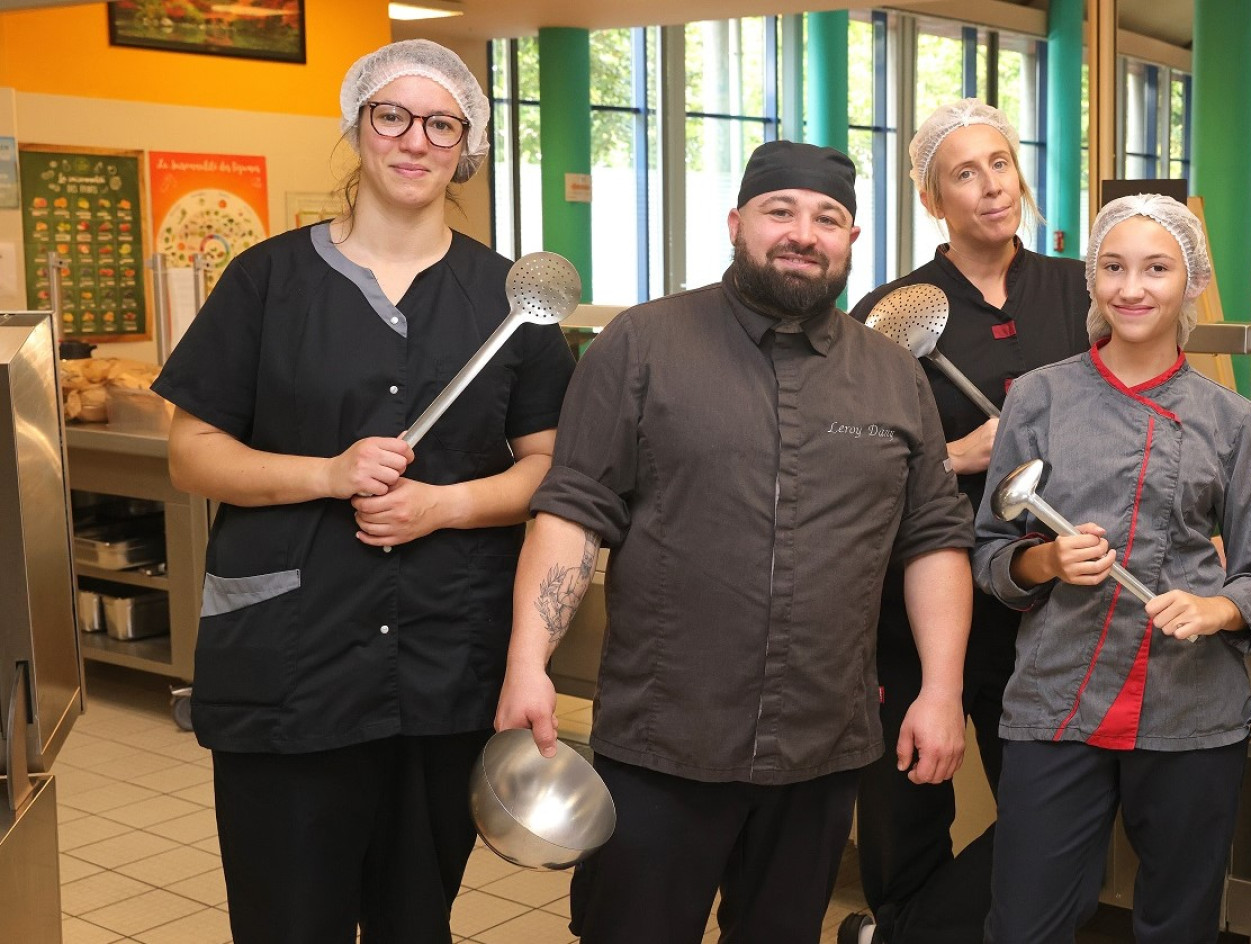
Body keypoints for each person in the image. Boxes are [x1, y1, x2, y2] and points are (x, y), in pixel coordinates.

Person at [492, 140, 974, 944]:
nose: (802, 232)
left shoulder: (894, 377)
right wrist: (527, 662)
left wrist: (942, 690)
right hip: (662, 744)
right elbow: (572, 511)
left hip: (822, 745)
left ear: (851, 239)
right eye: (779, 211)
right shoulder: (642, 346)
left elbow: (933, 540)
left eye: (827, 217)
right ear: (737, 222)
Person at [150, 39, 575, 944]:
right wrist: (327, 474)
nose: (415, 140)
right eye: (392, 115)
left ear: (467, 146)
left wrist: (444, 505)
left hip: (444, 661)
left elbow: (550, 469)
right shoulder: (267, 280)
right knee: (287, 921)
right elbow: (192, 453)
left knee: (415, 921)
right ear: (358, 128)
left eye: (441, 123)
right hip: (289, 665)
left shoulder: (509, 305)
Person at [972, 194, 1251, 944]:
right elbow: (988, 549)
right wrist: (1046, 558)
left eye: (1156, 268)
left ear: (1190, 281)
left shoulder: (1230, 419)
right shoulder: (1040, 396)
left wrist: (1217, 609)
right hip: (1055, 704)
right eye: (1113, 267)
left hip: (1191, 710)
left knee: (1178, 925)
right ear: (1093, 278)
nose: (1132, 287)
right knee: (1024, 924)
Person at [837, 99, 1090, 944]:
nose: (991, 188)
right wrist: (960, 455)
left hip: (1051, 605)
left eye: (1001, 164)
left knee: (1054, 821)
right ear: (932, 199)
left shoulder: (1082, 288)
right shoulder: (891, 311)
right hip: (916, 604)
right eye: (964, 173)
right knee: (907, 812)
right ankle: (904, 918)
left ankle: (896, 941)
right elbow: (852, 459)